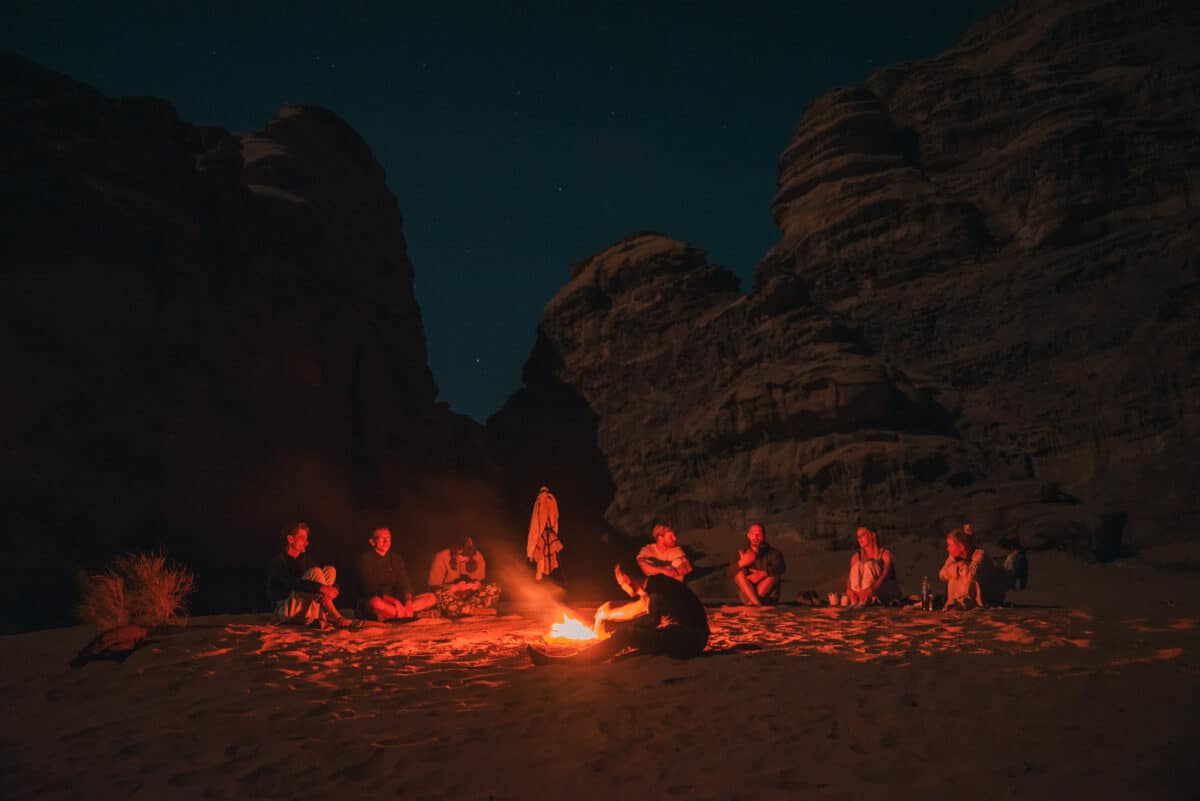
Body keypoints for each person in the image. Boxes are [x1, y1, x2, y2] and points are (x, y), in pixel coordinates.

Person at [528, 562, 709, 665]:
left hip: (689, 638)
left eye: (620, 583)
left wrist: (623, 633)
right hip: (694, 639)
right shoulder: (655, 586)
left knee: (626, 635)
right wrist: (607, 614)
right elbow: (636, 609)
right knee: (626, 644)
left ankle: (568, 662)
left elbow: (652, 620)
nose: (621, 587)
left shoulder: (656, 589)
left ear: (627, 579)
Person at [266, 522, 352, 628]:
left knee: (330, 570)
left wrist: (334, 588)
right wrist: (321, 588)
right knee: (315, 572)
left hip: (306, 610)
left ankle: (322, 617)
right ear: (290, 539)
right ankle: (337, 617)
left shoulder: (305, 560)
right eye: (302, 538)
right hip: (287, 611)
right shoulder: (279, 562)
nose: (306, 542)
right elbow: (292, 583)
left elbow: (320, 580)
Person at [358, 527, 437, 621]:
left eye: (388, 538)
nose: (386, 542)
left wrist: (408, 601)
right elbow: (371, 590)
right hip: (382, 601)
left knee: (431, 597)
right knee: (375, 603)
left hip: (398, 603)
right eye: (381, 538)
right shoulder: (366, 559)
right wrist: (394, 602)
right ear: (372, 542)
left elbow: (405, 583)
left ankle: (399, 613)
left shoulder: (396, 559)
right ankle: (407, 614)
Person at [427, 535, 501, 617]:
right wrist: (454, 588)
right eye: (460, 554)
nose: (464, 558)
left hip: (470, 598)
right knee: (439, 595)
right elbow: (434, 587)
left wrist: (476, 585)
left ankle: (466, 609)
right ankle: (467, 610)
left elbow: (480, 581)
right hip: (450, 598)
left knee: (494, 588)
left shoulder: (478, 557)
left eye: (467, 556)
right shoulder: (441, 557)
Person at [939, 527, 1007, 609]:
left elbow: (971, 575)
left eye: (950, 545)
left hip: (984, 599)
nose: (948, 548)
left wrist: (960, 565)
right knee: (955, 578)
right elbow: (942, 574)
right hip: (960, 601)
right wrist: (956, 569)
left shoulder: (979, 554)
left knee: (968, 580)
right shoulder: (953, 557)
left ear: (961, 546)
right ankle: (955, 602)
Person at [846, 526, 901, 605]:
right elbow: (849, 581)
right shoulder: (856, 557)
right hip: (861, 594)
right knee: (857, 565)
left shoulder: (885, 555)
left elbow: (884, 577)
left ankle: (865, 600)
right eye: (858, 537)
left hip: (882, 591)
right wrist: (849, 592)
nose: (859, 539)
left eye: (862, 535)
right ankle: (858, 601)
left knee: (869, 565)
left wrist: (870, 591)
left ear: (872, 535)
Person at [733, 523, 786, 605]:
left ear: (764, 536)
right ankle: (757, 604)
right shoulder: (741, 552)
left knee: (773, 577)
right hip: (747, 594)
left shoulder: (774, 553)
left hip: (768, 597)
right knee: (739, 574)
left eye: (759, 534)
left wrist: (763, 574)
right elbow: (727, 572)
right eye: (753, 533)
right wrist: (741, 563)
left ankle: (753, 603)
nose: (756, 536)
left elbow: (781, 567)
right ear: (748, 536)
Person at [527, 485, 563, 580]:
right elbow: (555, 515)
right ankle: (542, 574)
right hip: (548, 530)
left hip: (544, 531)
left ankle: (541, 574)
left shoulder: (542, 500)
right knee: (545, 552)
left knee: (543, 553)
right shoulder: (550, 499)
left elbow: (536, 519)